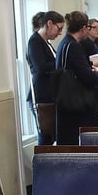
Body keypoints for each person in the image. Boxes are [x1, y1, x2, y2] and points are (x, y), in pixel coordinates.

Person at [55, 11, 98, 145]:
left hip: (66, 102)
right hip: (77, 104)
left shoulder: (63, 44)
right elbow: (87, 76)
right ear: (83, 28)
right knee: (84, 144)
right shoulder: (74, 46)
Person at [26, 10, 64, 146]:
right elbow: (41, 67)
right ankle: (42, 165)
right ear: (49, 24)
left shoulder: (46, 42)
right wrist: (62, 62)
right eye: (59, 29)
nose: (60, 33)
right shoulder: (34, 41)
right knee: (45, 135)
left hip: (50, 95)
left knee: (51, 135)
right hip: (40, 96)